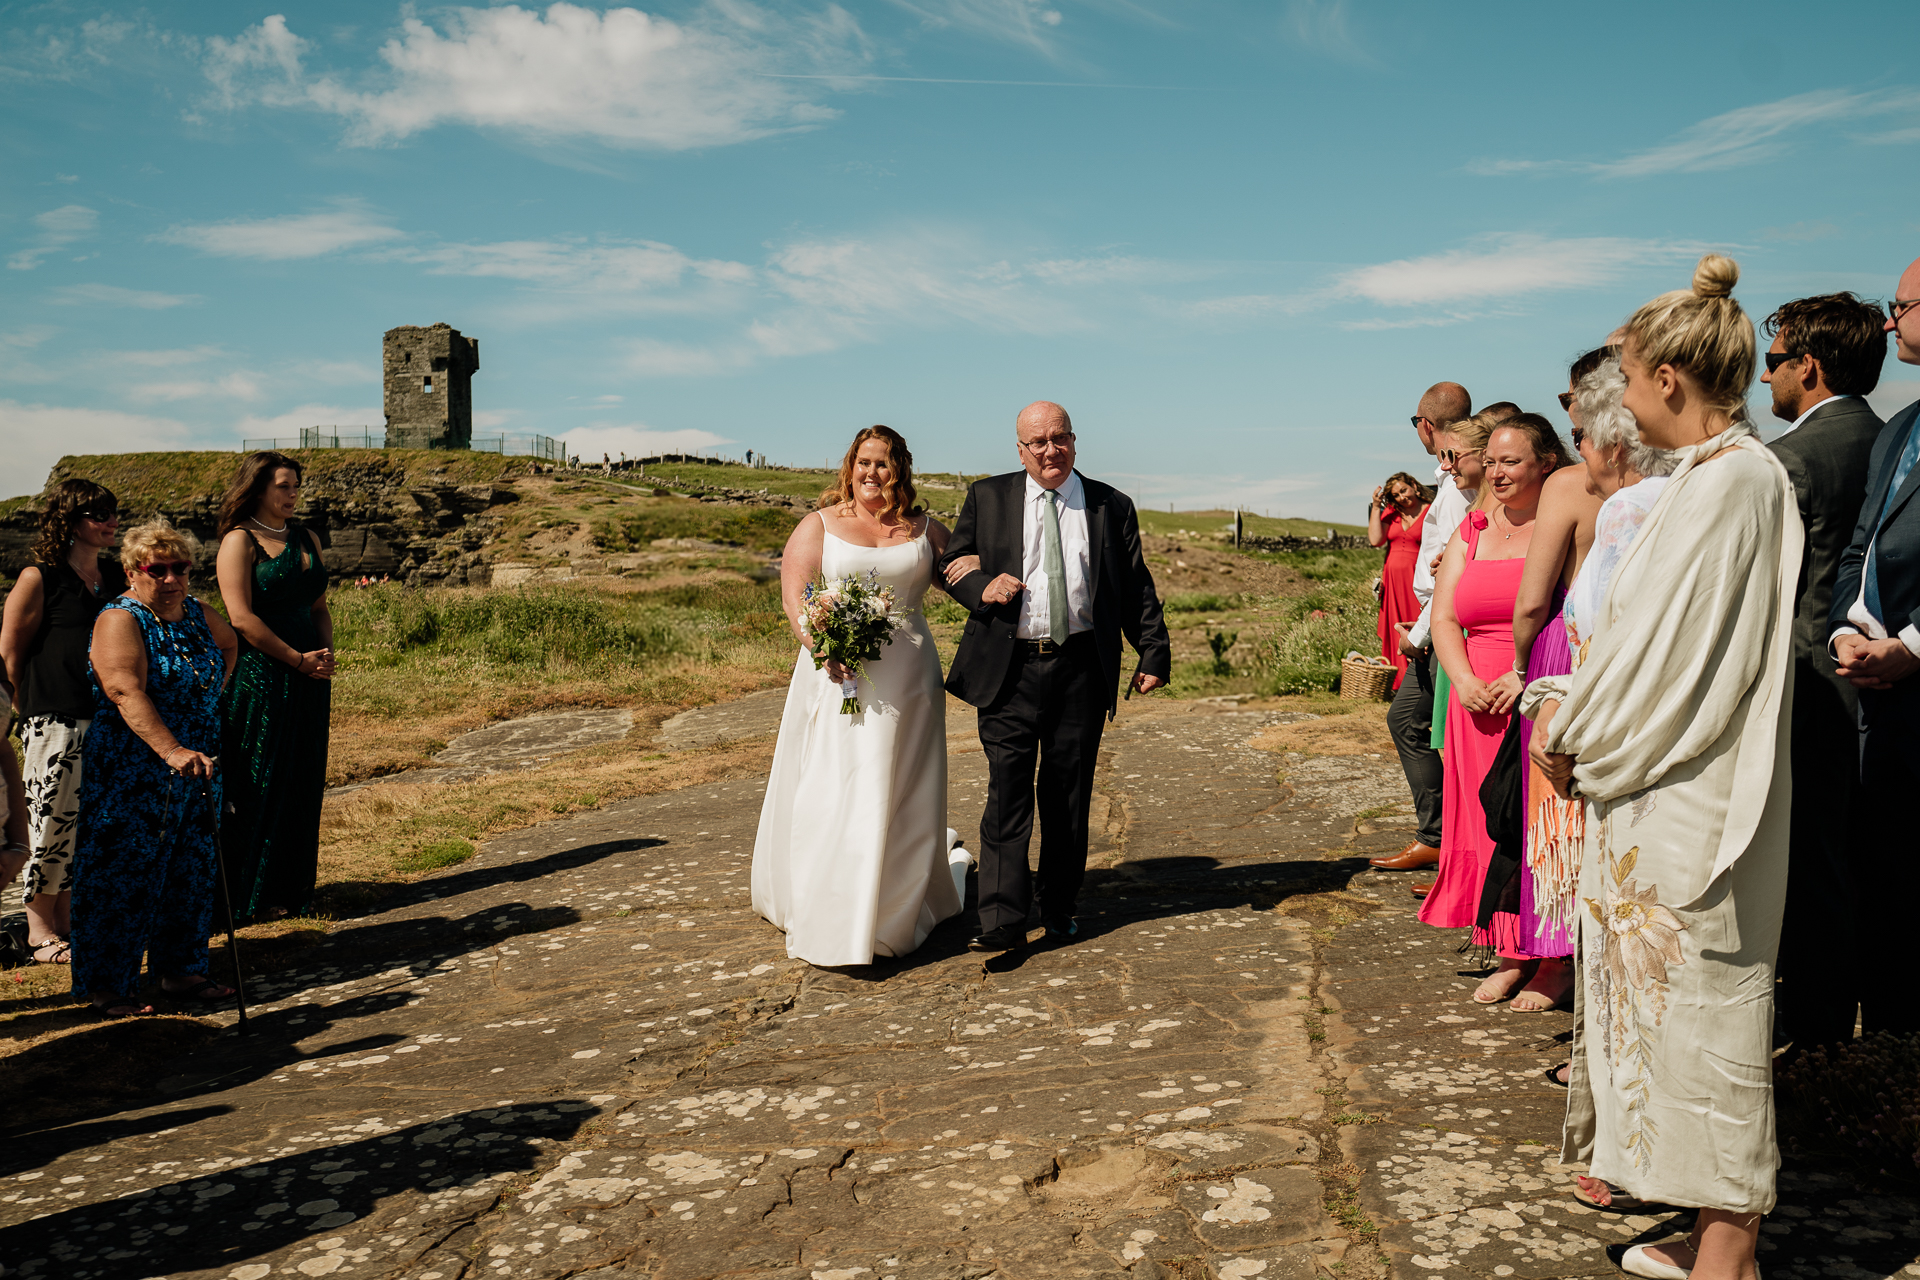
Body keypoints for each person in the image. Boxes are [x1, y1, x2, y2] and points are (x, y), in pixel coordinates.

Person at [1528, 255, 1798, 1280]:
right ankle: (1704, 1222)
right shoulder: (1708, 480)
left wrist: (1572, 733)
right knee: (1669, 1025)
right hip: (1657, 792)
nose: (1620, 394)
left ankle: (1730, 1250)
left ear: (1670, 381)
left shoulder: (1734, 484)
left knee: (1711, 1021)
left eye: (1629, 373)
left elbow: (1668, 660)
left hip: (1688, 798)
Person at [939, 401, 1170, 952]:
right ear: (1019, 450)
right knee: (1007, 795)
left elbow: (1135, 584)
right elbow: (953, 562)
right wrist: (981, 588)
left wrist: (1153, 652)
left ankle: (1061, 906)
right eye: (1037, 441)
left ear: (1074, 440)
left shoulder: (1112, 505)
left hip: (1080, 670)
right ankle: (1001, 919)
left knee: (1067, 797)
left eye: (1059, 437)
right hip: (1008, 671)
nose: (1050, 450)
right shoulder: (987, 497)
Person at [751, 426, 964, 966]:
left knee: (903, 783)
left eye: (884, 464)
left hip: (910, 677)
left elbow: (964, 576)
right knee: (839, 780)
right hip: (838, 674)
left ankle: (895, 905)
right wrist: (821, 647)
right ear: (850, 466)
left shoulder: (925, 529)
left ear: (901, 470)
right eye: (864, 462)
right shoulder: (818, 525)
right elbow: (797, 597)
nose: (873, 473)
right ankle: (834, 904)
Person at [1533, 354, 1679, 1090]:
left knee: (1619, 917)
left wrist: (1557, 722)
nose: (1577, 447)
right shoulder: (1658, 502)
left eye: (1584, 434)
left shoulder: (1629, 510)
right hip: (1621, 737)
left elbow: (1611, 644)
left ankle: (1613, 1071)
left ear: (1615, 443)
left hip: (1613, 745)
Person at [1758, 293, 1888, 1052]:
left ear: (1807, 367)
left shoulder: (1791, 460)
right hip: (1877, 687)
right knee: (1863, 860)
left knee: (1811, 867)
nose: (1764, 381)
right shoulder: (1889, 437)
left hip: (1808, 682)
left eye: (1773, 365)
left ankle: (1816, 1038)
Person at [70, 520, 240, 1018]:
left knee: (191, 870)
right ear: (132, 571)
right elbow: (123, 688)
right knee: (123, 875)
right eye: (158, 569)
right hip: (134, 770)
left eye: (180, 568)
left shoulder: (197, 613)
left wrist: (208, 696)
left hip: (198, 766)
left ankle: (182, 971)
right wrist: (169, 749)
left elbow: (229, 645)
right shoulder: (120, 619)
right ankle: (109, 987)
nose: (171, 579)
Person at [1420, 418, 1561, 1002]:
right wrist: (1463, 680)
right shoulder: (1472, 527)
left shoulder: (1560, 528)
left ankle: (1552, 959)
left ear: (1546, 465)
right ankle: (1506, 949)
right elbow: (1445, 616)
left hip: (1532, 689)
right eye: (1494, 462)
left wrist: (1518, 677)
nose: (1498, 474)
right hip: (1472, 699)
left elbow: (1565, 612)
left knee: (1535, 829)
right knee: (1483, 829)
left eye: (1513, 463)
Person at [1830, 255, 1920, 1039]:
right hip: (1875, 691)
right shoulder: (1900, 429)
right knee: (1883, 877)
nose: (1890, 322)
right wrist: (1846, 630)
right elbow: (1858, 549)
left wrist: (1916, 645)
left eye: (1903, 305)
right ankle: (1888, 1054)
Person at [0, 480, 126, 965]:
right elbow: (10, 650)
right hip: (53, 718)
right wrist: (17, 709)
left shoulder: (114, 576)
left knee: (88, 828)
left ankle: (70, 925)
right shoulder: (41, 576)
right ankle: (39, 932)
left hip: (108, 716)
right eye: (99, 514)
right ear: (71, 520)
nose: (111, 521)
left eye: (113, 512)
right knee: (49, 825)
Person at [215, 452, 335, 923]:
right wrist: (296, 659)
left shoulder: (307, 538)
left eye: (296, 486)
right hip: (263, 675)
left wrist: (323, 656)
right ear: (258, 488)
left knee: (303, 777)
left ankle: (291, 887)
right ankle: (250, 893)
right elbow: (241, 619)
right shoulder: (238, 541)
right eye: (283, 486)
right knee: (259, 780)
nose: (292, 495)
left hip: (311, 673)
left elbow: (319, 606)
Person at [1375, 382, 1473, 875]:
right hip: (1433, 623)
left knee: (1417, 725)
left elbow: (1453, 572)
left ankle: (1443, 838)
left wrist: (1420, 635)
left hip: (1442, 628)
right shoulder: (1450, 481)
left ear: (1427, 424)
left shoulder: (1455, 489)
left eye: (1415, 421)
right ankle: (1440, 836)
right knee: (1415, 725)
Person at [1367, 472, 1433, 687]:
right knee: (1395, 627)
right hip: (1392, 579)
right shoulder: (1392, 512)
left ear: (1413, 485)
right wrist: (1376, 507)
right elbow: (1376, 540)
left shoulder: (1431, 509)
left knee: (1418, 624)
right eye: (1396, 495)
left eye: (1403, 490)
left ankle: (1421, 678)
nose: (1401, 497)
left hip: (1417, 578)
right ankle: (1398, 682)